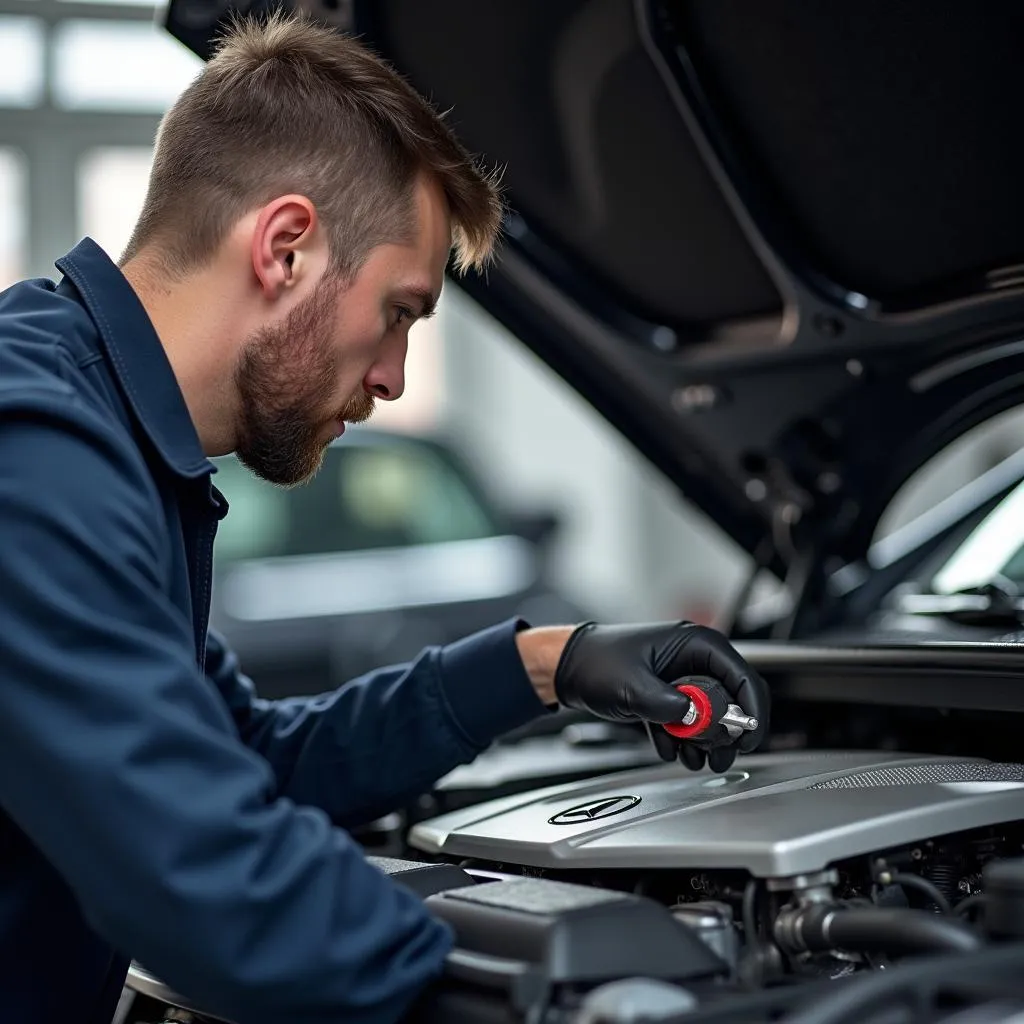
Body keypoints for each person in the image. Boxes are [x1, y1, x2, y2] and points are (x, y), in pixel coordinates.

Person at [0, 13, 769, 1024]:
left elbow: (251, 765)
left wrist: (546, 661)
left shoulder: (114, 440)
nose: (395, 378)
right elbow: (200, 874)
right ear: (285, 247)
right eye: (400, 311)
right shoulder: (34, 438)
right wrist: (541, 989)